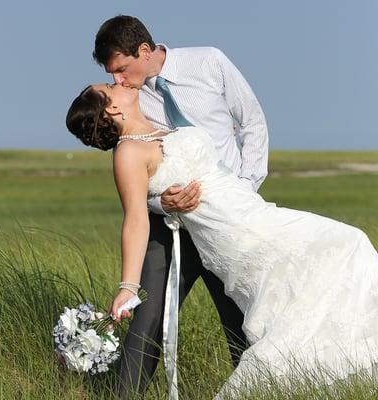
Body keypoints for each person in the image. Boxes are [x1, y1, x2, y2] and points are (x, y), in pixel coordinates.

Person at [65, 82, 378, 398]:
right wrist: (129, 286)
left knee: (311, 287)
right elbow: (135, 219)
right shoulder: (129, 152)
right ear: (111, 107)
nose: (119, 83)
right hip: (237, 232)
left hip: (253, 211)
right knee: (348, 242)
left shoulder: (158, 131)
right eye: (110, 87)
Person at [92, 15, 269, 398]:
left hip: (227, 220)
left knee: (240, 318)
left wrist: (243, 191)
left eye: (122, 69)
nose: (119, 80)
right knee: (148, 318)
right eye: (113, 75)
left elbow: (252, 122)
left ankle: (253, 391)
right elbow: (142, 173)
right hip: (171, 225)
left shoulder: (209, 62)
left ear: (144, 51)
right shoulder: (133, 102)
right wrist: (161, 200)